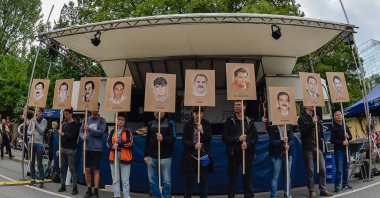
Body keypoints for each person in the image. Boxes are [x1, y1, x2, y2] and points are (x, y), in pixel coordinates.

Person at [222, 100, 258, 198]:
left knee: (247, 177)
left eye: (238, 104)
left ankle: (249, 196)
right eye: (235, 105)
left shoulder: (249, 121)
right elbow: (224, 137)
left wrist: (248, 144)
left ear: (244, 106)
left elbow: (255, 137)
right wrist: (238, 139)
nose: (236, 106)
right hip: (233, 154)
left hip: (247, 153)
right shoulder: (230, 121)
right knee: (232, 178)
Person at [298, 105, 332, 198]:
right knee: (310, 170)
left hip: (317, 147)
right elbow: (303, 131)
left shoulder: (317, 116)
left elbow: (320, 132)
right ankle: (312, 191)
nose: (312, 105)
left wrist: (321, 144)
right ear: (305, 106)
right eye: (310, 104)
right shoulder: (301, 118)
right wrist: (312, 123)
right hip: (308, 147)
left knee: (323, 169)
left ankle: (323, 189)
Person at [179, 107, 213, 198]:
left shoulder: (206, 124)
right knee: (189, 182)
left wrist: (202, 131)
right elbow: (184, 140)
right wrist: (193, 145)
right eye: (196, 113)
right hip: (190, 157)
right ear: (193, 113)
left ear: (203, 114)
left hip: (204, 156)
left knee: (203, 182)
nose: (198, 115)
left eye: (200, 113)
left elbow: (209, 140)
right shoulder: (188, 124)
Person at [144, 112, 176, 198]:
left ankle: (166, 196)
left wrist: (163, 139)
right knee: (152, 180)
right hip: (151, 156)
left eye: (160, 111)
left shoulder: (170, 123)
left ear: (164, 112)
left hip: (165, 156)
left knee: (166, 180)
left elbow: (173, 138)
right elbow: (147, 140)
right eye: (155, 111)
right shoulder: (150, 123)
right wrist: (146, 155)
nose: (157, 113)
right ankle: (156, 196)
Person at [80, 103, 107, 198]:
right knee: (87, 170)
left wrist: (89, 130)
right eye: (95, 107)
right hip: (87, 148)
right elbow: (80, 131)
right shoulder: (86, 119)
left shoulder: (102, 120)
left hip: (96, 149)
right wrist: (82, 136)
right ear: (91, 109)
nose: (97, 109)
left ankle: (96, 191)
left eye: (98, 108)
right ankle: (89, 190)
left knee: (96, 170)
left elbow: (101, 132)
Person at [107, 112, 134, 198]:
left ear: (125, 121)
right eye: (119, 119)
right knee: (115, 179)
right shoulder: (112, 131)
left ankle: (126, 196)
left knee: (125, 180)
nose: (120, 121)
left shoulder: (128, 131)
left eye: (122, 120)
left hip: (125, 157)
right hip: (113, 156)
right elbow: (108, 143)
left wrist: (120, 143)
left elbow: (130, 143)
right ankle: (116, 195)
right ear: (116, 120)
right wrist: (112, 146)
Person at [57, 107, 81, 195]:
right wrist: (59, 149)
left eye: (67, 114)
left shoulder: (76, 124)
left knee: (72, 169)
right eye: (64, 114)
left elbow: (73, 136)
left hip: (71, 149)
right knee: (62, 168)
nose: (65, 115)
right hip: (63, 148)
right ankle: (63, 185)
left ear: (71, 114)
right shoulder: (64, 124)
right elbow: (61, 139)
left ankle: (75, 187)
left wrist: (63, 134)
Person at [269, 124, 294, 198]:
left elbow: (292, 139)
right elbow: (272, 142)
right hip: (277, 155)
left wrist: (289, 145)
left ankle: (287, 195)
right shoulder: (273, 127)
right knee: (275, 177)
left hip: (287, 155)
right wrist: (282, 141)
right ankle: (273, 196)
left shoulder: (288, 126)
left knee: (288, 177)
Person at [331, 110, 352, 193]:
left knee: (346, 169)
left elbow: (351, 136)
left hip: (347, 150)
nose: (339, 116)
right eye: (337, 115)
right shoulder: (333, 128)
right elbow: (332, 140)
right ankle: (336, 186)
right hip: (339, 151)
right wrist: (342, 142)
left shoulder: (345, 126)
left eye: (340, 114)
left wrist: (348, 137)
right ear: (334, 117)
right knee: (339, 170)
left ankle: (345, 184)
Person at [28, 107, 47, 188]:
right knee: (31, 162)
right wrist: (30, 132)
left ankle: (42, 180)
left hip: (39, 144)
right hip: (31, 142)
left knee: (39, 163)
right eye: (36, 111)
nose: (37, 113)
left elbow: (42, 131)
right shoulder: (32, 120)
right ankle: (33, 179)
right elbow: (27, 131)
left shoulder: (44, 121)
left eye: (39, 111)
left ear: (42, 113)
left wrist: (36, 123)